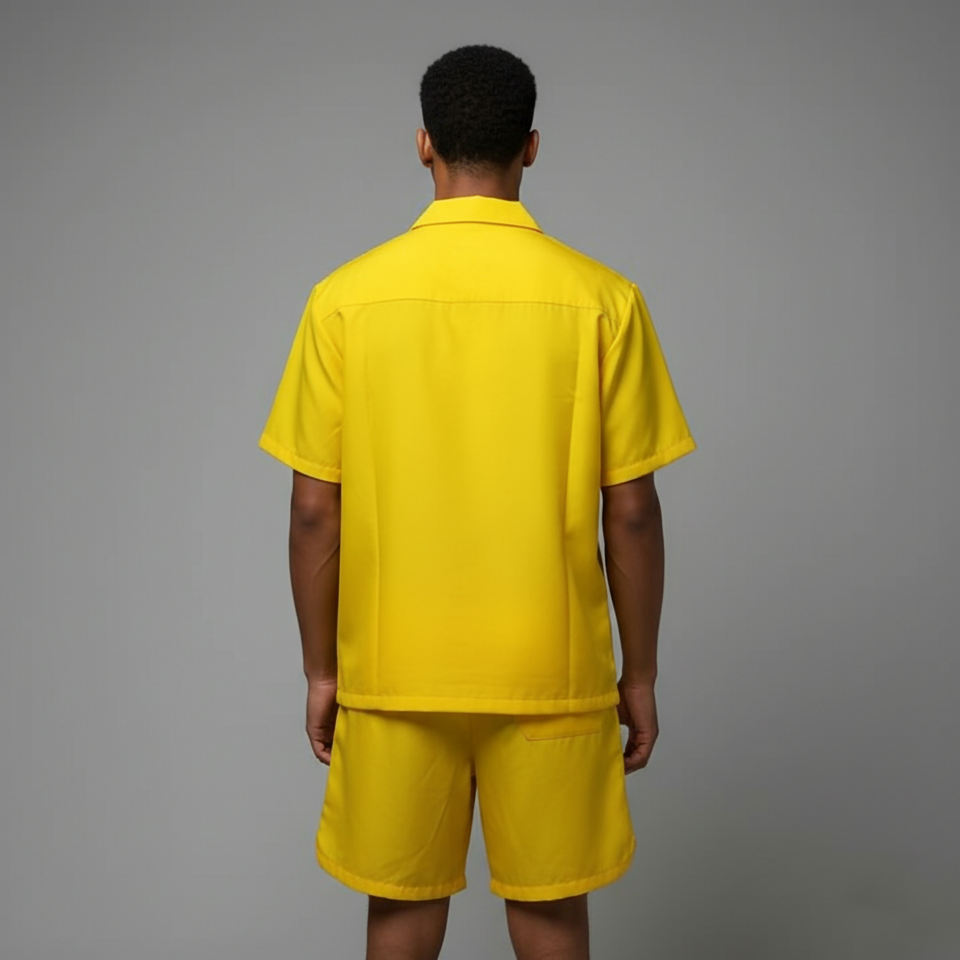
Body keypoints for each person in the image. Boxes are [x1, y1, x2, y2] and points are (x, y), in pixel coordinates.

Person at [257, 43, 696, 960]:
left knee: (401, 911)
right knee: (551, 912)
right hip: (551, 666)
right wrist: (641, 674)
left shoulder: (343, 301)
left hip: (394, 663)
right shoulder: (603, 300)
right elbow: (633, 513)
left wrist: (322, 672)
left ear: (423, 143)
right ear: (531, 147)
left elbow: (312, 512)